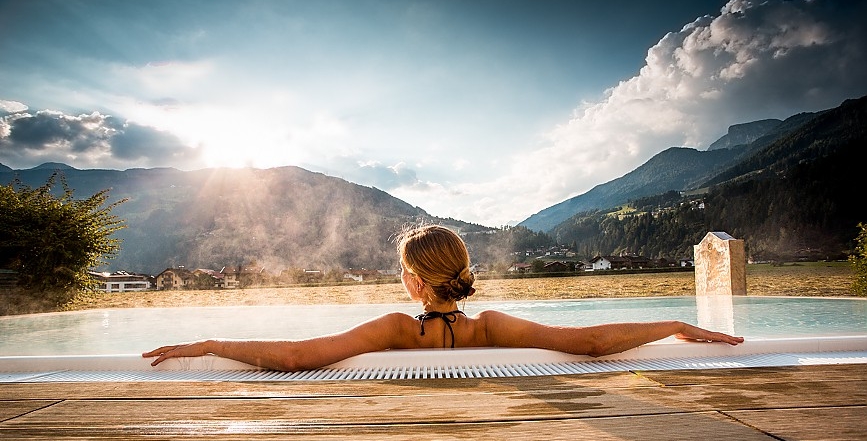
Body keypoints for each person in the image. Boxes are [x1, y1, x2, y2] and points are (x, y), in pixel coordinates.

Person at [143, 224, 743, 371]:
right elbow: (588, 342)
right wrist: (671, 323)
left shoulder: (398, 330)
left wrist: (212, 343)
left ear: (414, 280)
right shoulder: (491, 326)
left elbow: (302, 356)